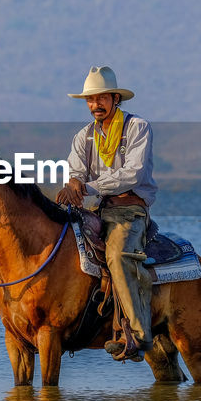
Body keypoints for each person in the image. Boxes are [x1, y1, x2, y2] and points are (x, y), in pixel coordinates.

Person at [55, 66, 157, 361]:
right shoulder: (83, 137)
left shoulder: (138, 128)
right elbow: (75, 169)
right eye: (90, 100)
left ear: (115, 98)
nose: (94, 105)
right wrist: (73, 183)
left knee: (116, 255)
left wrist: (86, 186)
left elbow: (132, 174)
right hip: (100, 207)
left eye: (100, 99)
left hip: (130, 209)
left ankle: (137, 335)